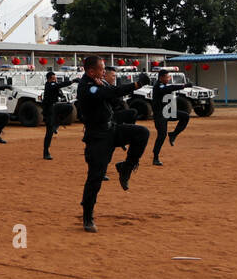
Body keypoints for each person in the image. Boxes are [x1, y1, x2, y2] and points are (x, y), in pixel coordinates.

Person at [76, 56, 150, 232]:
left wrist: (109, 88)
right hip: (97, 137)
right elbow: (110, 94)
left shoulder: (99, 83)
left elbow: (114, 96)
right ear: (91, 71)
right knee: (95, 177)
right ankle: (88, 215)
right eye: (101, 70)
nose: (104, 72)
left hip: (111, 130)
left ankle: (126, 167)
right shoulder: (87, 87)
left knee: (142, 133)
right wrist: (137, 85)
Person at [150, 70, 193, 166]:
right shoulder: (158, 86)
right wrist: (183, 86)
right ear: (161, 77)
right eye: (167, 77)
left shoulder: (163, 85)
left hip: (167, 113)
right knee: (161, 136)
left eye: (169, 77)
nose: (168, 79)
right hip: (159, 115)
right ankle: (155, 157)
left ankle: (173, 134)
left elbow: (169, 88)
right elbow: (168, 88)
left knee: (185, 116)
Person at [41, 70, 75, 160]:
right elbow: (59, 85)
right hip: (49, 111)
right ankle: (46, 152)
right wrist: (72, 81)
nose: (55, 79)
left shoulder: (54, 85)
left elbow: (59, 91)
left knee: (69, 107)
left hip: (55, 108)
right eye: (53, 78)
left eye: (55, 78)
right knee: (49, 133)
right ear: (49, 79)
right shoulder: (49, 85)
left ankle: (57, 123)